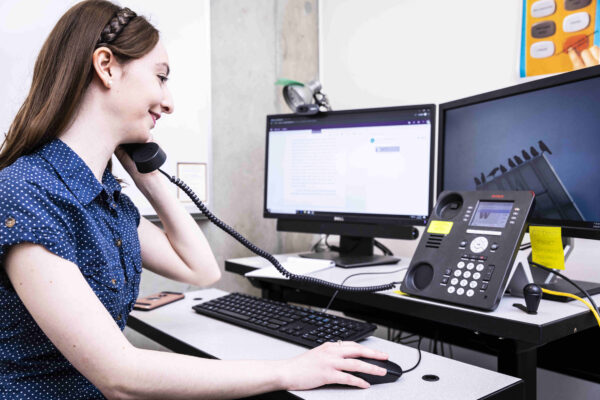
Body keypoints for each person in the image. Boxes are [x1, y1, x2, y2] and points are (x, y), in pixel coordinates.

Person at [0, 1, 389, 398]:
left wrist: (150, 180)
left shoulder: (107, 202)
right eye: (160, 77)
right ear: (107, 66)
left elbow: (201, 270)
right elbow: (120, 376)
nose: (169, 103)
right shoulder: (26, 195)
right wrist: (287, 372)